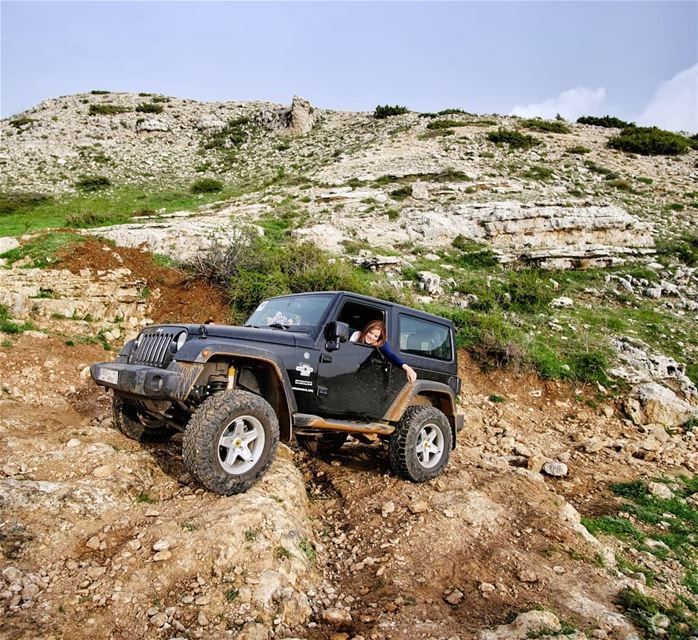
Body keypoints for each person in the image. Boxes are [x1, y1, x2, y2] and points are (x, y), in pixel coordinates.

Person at [350, 320, 417, 383]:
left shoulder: (379, 344)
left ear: (378, 339)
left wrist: (408, 368)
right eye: (371, 332)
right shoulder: (354, 335)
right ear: (367, 329)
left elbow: (390, 355)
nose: (372, 337)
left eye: (376, 336)